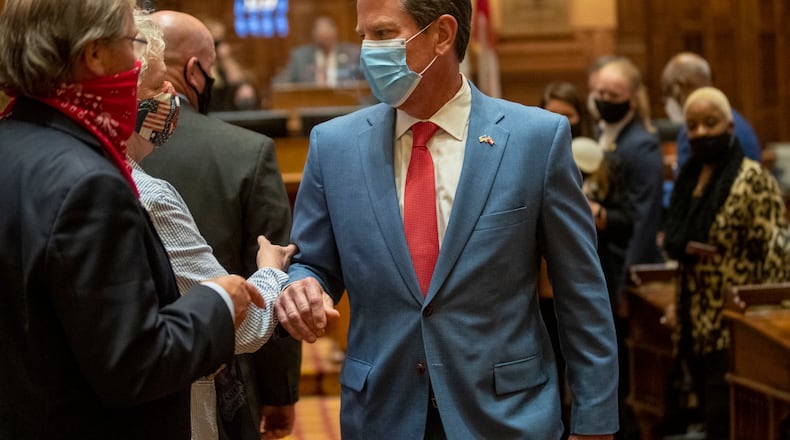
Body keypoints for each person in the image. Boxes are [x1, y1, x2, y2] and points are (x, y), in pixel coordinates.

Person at [276, 0, 619, 438]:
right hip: (383, 411)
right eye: (362, 35)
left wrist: (595, 422)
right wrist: (301, 285)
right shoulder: (334, 146)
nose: (366, 51)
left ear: (441, 34)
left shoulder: (536, 140)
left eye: (382, 35)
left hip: (506, 416)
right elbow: (315, 264)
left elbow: (581, 292)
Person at [0, 1, 265, 438]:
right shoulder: (90, 184)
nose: (137, 58)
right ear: (95, 55)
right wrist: (217, 300)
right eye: (132, 41)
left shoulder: (13, 141)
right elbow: (136, 364)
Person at [128, 11, 297, 439]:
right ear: (195, 70)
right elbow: (254, 316)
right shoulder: (248, 152)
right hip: (207, 388)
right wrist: (281, 393)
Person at [662, 87, 790, 440]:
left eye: (710, 123)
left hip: (734, 324)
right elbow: (679, 247)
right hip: (695, 322)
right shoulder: (688, 179)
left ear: (730, 126)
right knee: (706, 416)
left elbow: (777, 258)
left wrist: (763, 327)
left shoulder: (753, 181)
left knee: (727, 423)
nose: (701, 132)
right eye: (693, 125)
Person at [592, 57, 664, 267]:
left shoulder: (643, 146)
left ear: (632, 99)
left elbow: (645, 218)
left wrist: (631, 272)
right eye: (600, 93)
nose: (604, 99)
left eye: (613, 95)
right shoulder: (598, 132)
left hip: (626, 260)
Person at [661, 52, 761, 168]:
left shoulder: (693, 134)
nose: (701, 131)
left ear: (681, 86)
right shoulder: (739, 122)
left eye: (667, 93)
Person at [273, 15, 362, 86]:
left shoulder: (353, 53)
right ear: (314, 36)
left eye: (327, 37)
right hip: (310, 103)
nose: (325, 42)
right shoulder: (300, 56)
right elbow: (281, 83)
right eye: (322, 38)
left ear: (335, 33)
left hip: (345, 103)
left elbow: (364, 84)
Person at [203, 17, 260, 111]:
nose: (223, 47)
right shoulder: (202, 67)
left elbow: (238, 81)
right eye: (217, 43)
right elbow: (214, 87)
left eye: (223, 40)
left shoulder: (225, 64)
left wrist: (226, 60)